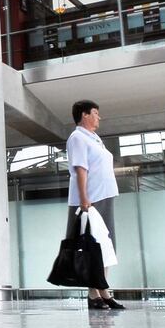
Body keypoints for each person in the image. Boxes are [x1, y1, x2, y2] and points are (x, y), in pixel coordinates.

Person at [66, 99, 124, 310]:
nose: (99, 117)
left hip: (104, 195)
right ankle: (94, 294)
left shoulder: (95, 138)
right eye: (96, 113)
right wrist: (83, 200)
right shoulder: (77, 137)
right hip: (90, 199)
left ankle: (103, 290)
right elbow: (81, 168)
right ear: (85, 115)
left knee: (107, 245)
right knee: (92, 245)